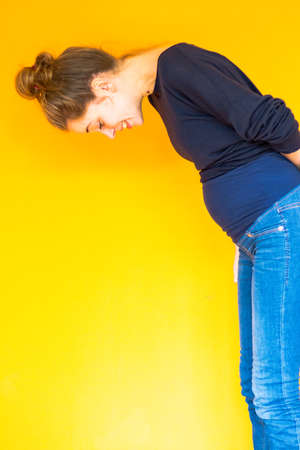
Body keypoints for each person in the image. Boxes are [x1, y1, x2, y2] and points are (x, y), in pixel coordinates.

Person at [15, 41, 300, 448]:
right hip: (261, 233)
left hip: (281, 224)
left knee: (277, 395)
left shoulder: (180, 64)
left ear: (103, 86)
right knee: (256, 389)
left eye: (97, 123)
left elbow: (269, 119)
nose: (110, 134)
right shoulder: (160, 87)